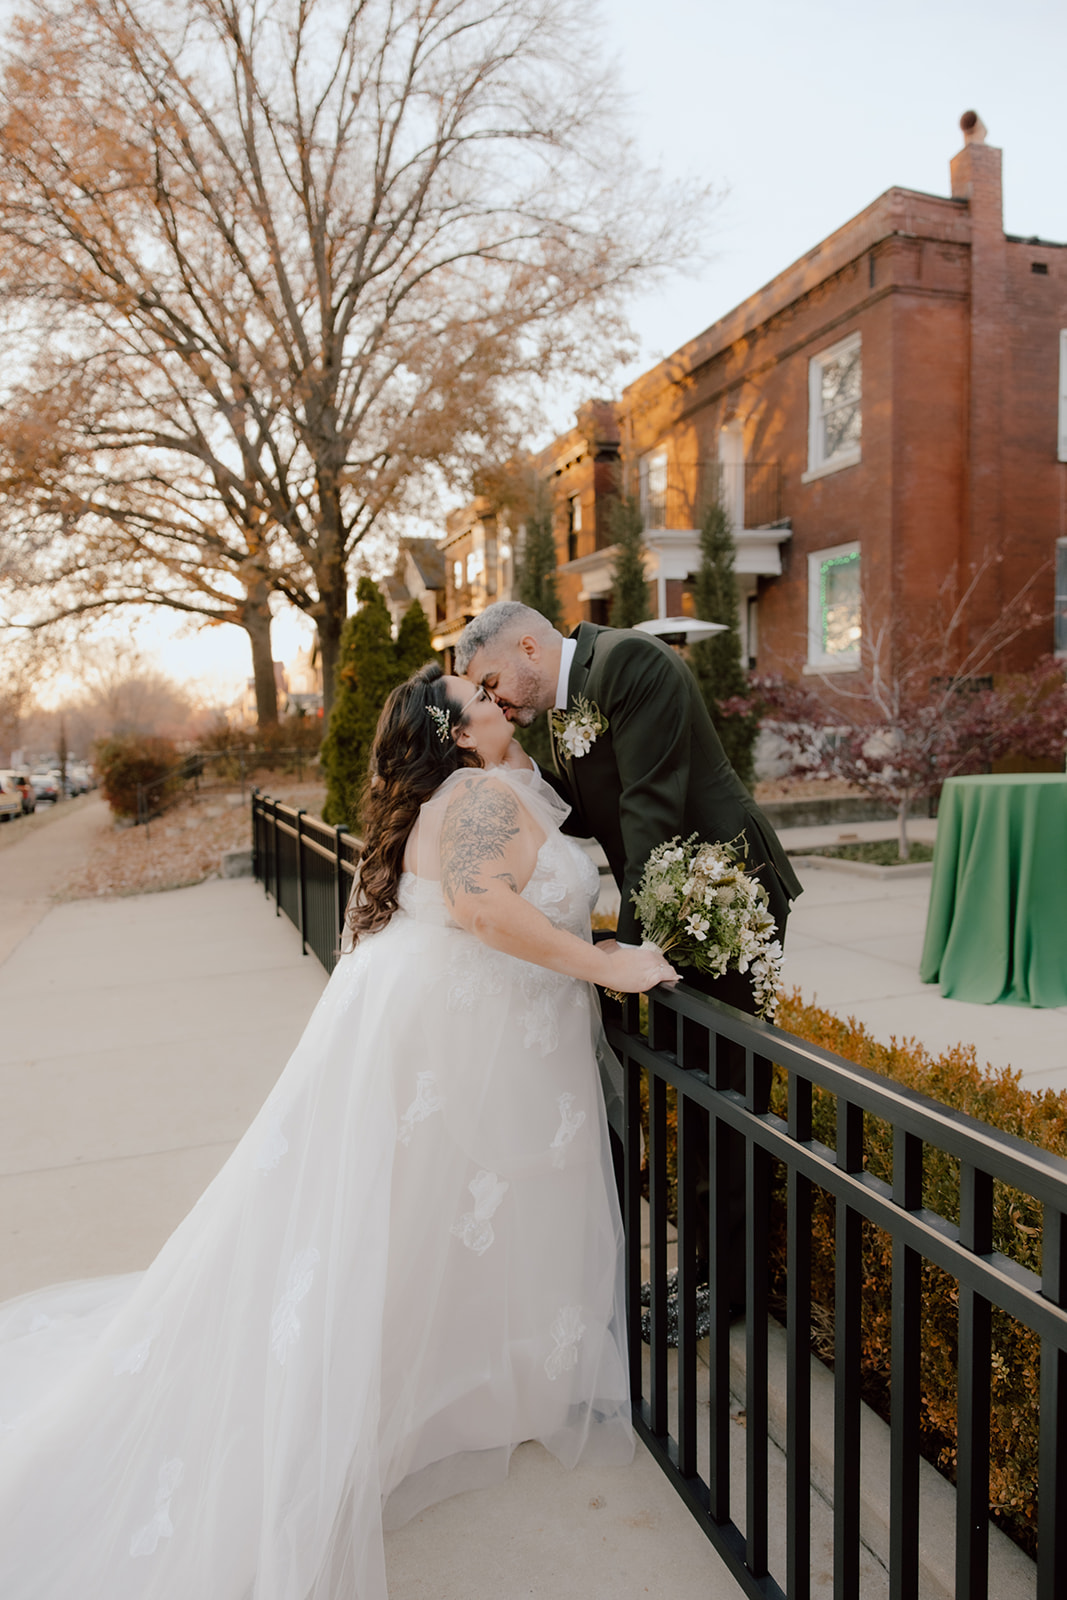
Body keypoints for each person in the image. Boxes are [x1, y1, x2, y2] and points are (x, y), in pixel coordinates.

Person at [0, 662, 676, 1600]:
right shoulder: (477, 791)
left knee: (431, 1217)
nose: (496, 699)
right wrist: (608, 968)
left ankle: (472, 1381)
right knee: (421, 1218)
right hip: (462, 1038)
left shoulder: (474, 786)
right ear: (453, 732)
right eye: (477, 697)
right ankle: (460, 1390)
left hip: (469, 1030)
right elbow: (484, 907)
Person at [456, 603, 803, 1301]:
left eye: (491, 681)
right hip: (677, 903)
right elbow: (591, 812)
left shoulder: (631, 663)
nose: (490, 698)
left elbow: (650, 810)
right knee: (694, 1097)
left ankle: (733, 1290)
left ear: (528, 645)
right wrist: (512, 774)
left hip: (724, 898)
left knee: (727, 1096)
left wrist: (628, 953)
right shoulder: (560, 705)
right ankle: (705, 1269)